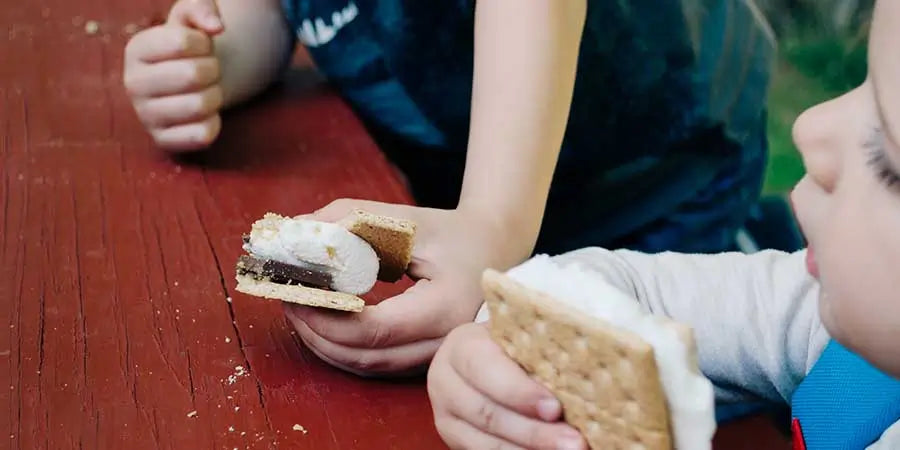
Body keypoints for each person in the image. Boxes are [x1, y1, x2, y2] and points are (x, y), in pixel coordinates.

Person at [123, 0, 781, 377]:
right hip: (462, 177)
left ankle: (775, 260)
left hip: (653, 172)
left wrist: (494, 221)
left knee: (647, 377)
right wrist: (211, 65)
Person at [426, 1, 900, 448]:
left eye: (889, 160)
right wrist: (496, 356)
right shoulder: (814, 316)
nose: (808, 127)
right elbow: (595, 294)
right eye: (864, 84)